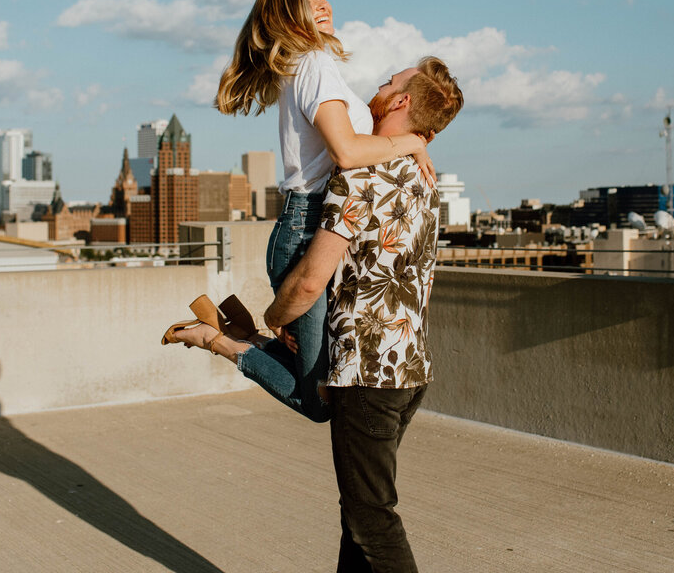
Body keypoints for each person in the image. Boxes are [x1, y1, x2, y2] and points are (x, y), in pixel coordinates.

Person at [167, 57, 463, 572]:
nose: (379, 85)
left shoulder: (361, 175)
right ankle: (224, 341)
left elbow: (309, 280)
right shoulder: (422, 178)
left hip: (365, 376)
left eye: (388, 82)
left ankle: (224, 341)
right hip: (409, 369)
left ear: (401, 103)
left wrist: (274, 313)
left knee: (372, 518)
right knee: (360, 517)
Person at [165, 0, 435, 424]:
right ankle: (218, 339)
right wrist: (412, 142)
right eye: (308, 0)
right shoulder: (313, 64)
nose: (323, 5)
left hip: (316, 223)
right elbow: (346, 152)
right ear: (287, 16)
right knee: (318, 399)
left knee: (320, 369)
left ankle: (241, 331)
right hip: (307, 227)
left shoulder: (313, 66)